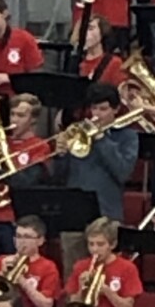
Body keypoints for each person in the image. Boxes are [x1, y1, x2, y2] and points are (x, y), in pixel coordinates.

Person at [0, 93, 52, 264]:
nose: (15, 119)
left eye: (21, 115)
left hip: (15, 220)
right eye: (13, 114)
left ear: (33, 119)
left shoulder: (40, 146)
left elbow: (26, 181)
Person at [56, 81, 139, 223]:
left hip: (107, 214)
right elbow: (59, 177)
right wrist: (61, 155)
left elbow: (123, 173)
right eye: (94, 108)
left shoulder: (127, 136)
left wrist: (101, 139)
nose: (97, 114)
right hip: (74, 212)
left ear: (116, 109)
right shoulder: (75, 133)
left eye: (103, 109)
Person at [0, 215, 62, 307]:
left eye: (27, 237)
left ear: (40, 241)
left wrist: (22, 282)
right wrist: (2, 275)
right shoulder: (1, 261)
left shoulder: (48, 267)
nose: (22, 241)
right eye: (18, 236)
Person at [77, 14, 125, 85]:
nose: (86, 33)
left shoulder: (114, 63)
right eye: (83, 29)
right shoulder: (75, 63)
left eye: (91, 28)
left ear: (102, 32)